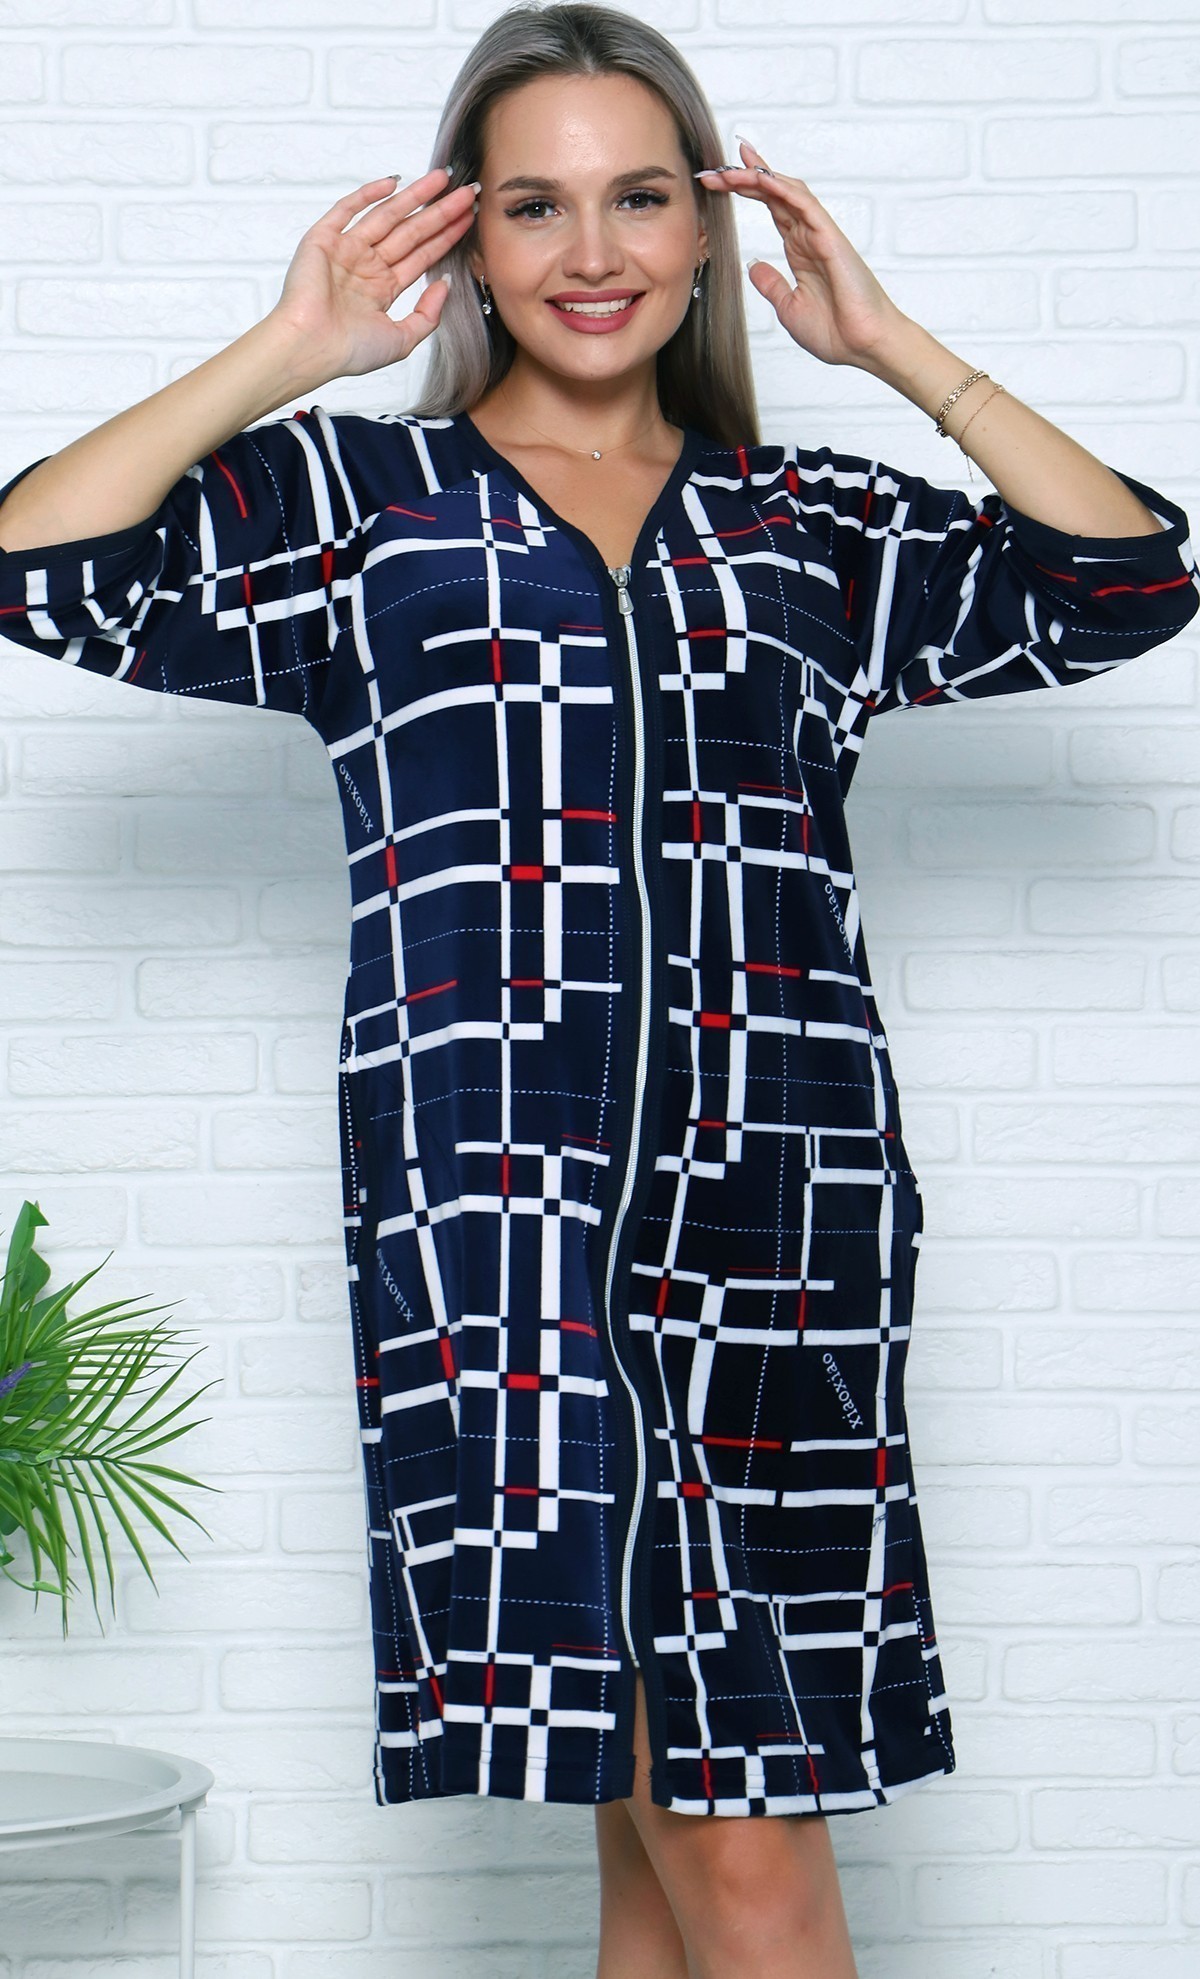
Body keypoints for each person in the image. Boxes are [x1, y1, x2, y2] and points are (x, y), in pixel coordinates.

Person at [0, 5, 1195, 1975]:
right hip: (499, 1235)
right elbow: (41, 563)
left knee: (700, 1833)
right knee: (676, 1814)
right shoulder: (360, 512)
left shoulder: (810, 527)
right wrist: (293, 349)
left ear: (709, 227)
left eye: (640, 197)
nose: (592, 251)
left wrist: (894, 347)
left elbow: (1126, 581)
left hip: (779, 1239)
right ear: (466, 239)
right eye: (535, 205)